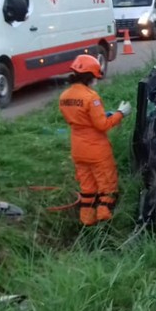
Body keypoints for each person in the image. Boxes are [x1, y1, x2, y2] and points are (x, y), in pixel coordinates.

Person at [58, 55, 131, 226]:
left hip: (78, 149)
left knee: (87, 188)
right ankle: (105, 222)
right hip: (97, 150)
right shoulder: (91, 97)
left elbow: (80, 119)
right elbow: (102, 125)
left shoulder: (64, 96)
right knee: (107, 186)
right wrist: (121, 114)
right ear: (90, 76)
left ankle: (87, 222)